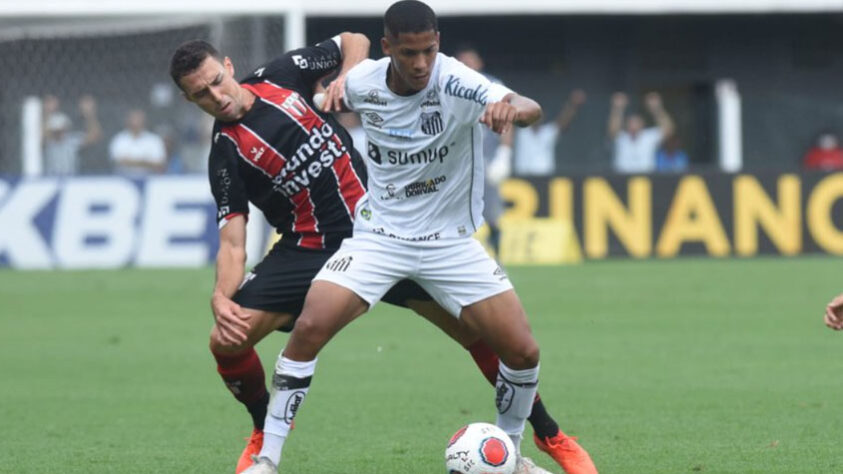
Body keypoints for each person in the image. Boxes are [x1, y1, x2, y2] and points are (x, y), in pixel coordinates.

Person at [169, 30, 593, 474]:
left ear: (230, 66)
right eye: (200, 94)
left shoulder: (281, 74)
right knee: (226, 342)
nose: (216, 96)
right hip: (306, 247)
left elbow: (353, 39)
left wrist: (346, 78)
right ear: (188, 99)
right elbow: (234, 242)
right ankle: (263, 433)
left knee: (482, 334)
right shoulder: (225, 155)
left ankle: (548, 434)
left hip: (383, 228)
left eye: (217, 80)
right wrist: (221, 298)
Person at [454, 44, 514, 255]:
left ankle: (497, 256)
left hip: (485, 158)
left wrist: (504, 154)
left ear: (479, 63)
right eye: (463, 61)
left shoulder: (492, 86)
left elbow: (509, 116)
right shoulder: (450, 85)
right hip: (456, 160)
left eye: (470, 61)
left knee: (491, 212)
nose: (467, 65)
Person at [513, 89, 586, 177]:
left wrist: (573, 105)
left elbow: (563, 122)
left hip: (546, 179)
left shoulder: (548, 132)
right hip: (522, 179)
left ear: (543, 116)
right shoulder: (521, 132)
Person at [607, 91, 674, 174]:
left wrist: (657, 108)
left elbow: (668, 129)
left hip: (646, 179)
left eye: (636, 122)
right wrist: (618, 109)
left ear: (642, 124)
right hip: (622, 179)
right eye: (631, 122)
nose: (633, 125)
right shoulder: (622, 137)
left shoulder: (649, 136)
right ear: (626, 124)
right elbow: (613, 130)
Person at [42, 94, 102, 176]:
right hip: (51, 178)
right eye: (56, 131)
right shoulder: (49, 141)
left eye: (62, 130)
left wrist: (89, 114)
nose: (59, 133)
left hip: (71, 178)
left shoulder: (71, 140)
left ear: (67, 129)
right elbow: (42, 136)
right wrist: (48, 113)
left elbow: (95, 136)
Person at [109, 109, 167, 175]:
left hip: (150, 177)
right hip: (123, 178)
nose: (136, 122)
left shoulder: (154, 139)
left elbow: (159, 163)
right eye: (133, 118)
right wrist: (145, 162)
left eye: (139, 119)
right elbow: (117, 161)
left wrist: (131, 162)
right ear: (128, 120)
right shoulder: (119, 139)